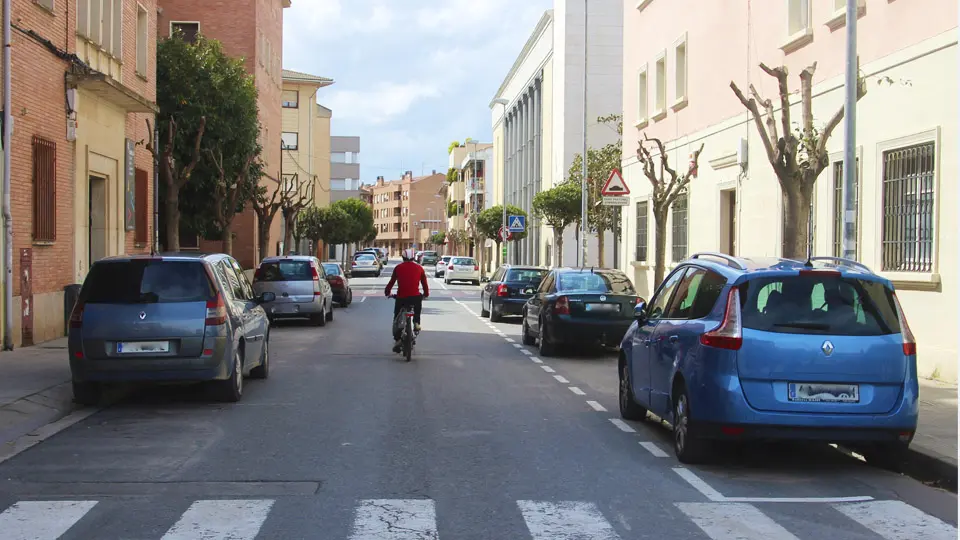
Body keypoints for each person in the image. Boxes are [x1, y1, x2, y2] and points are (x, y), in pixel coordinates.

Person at [384, 249, 429, 353]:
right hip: (415, 297)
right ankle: (416, 323)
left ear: (403, 258)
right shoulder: (419, 268)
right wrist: (426, 294)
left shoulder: (398, 268)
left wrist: (387, 293)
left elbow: (391, 282)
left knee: (396, 318)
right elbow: (424, 284)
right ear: (413, 258)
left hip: (401, 297)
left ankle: (397, 339)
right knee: (417, 308)